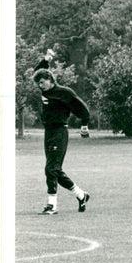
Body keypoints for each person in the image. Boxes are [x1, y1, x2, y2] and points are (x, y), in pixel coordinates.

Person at [33, 49, 92, 215]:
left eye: (43, 82)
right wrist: (46, 60)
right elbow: (38, 71)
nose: (40, 86)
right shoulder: (45, 90)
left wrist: (84, 125)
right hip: (49, 133)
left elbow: (83, 109)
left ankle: (52, 206)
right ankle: (81, 195)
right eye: (39, 83)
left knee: (51, 169)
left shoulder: (64, 93)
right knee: (54, 170)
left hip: (60, 132)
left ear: (51, 80)